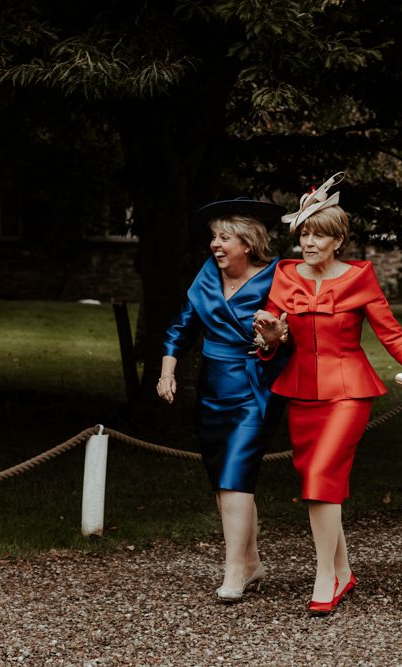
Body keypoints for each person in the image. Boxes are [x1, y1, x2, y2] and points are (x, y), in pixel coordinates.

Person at [253, 172, 402, 615]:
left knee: (321, 477)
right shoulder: (284, 276)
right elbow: (269, 339)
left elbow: (392, 334)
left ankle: (326, 578)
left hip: (348, 391)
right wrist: (270, 338)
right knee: (319, 482)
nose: (309, 243)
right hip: (300, 391)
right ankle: (344, 570)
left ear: (339, 240)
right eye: (304, 234)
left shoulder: (360, 279)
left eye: (319, 235)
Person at [157, 196, 287, 603]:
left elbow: (289, 336)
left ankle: (233, 571)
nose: (215, 244)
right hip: (212, 391)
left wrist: (271, 338)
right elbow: (182, 326)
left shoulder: (276, 278)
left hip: (254, 388)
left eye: (225, 237)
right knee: (223, 479)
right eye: (214, 237)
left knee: (236, 475)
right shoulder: (207, 279)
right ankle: (250, 562)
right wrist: (167, 370)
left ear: (247, 244)